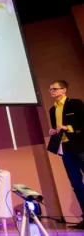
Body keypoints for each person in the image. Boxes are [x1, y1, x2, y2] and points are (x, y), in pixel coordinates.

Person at [48, 80, 84, 230]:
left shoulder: (75, 104)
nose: (51, 91)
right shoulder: (52, 110)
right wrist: (54, 131)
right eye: (50, 89)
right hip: (66, 148)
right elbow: (57, 128)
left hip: (81, 146)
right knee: (76, 184)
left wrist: (68, 127)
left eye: (54, 89)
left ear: (64, 90)